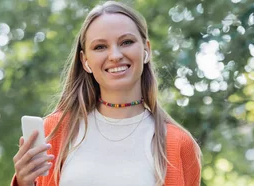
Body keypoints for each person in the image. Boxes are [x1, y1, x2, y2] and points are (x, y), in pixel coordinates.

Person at [11, 1, 202, 185]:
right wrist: (24, 183)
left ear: (146, 50)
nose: (115, 55)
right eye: (100, 47)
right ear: (85, 61)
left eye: (126, 42)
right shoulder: (54, 130)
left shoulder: (180, 144)